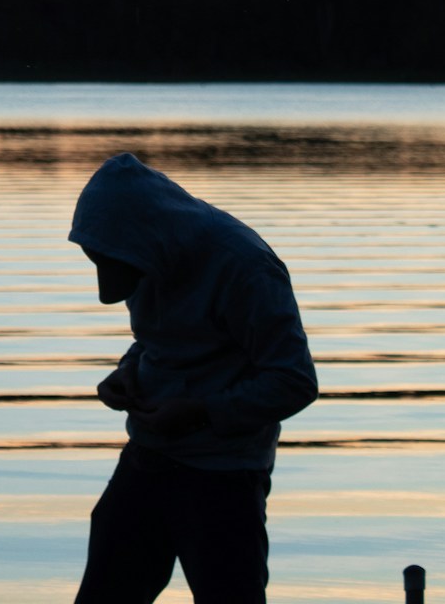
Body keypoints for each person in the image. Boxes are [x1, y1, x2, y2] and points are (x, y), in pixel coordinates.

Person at [68, 152, 318, 604]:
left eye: (109, 262)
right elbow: (158, 341)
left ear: (145, 237)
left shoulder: (244, 267)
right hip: (147, 459)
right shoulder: (145, 251)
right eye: (97, 261)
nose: (107, 284)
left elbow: (294, 379)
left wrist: (201, 414)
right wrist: (127, 372)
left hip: (224, 478)